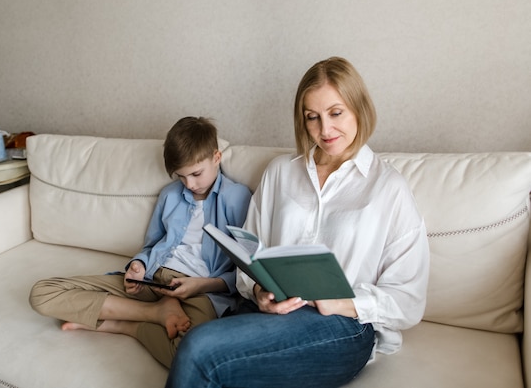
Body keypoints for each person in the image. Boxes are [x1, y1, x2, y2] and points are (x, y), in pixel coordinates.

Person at [165, 57, 430, 388]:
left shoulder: (388, 187)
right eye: (312, 118)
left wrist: (345, 302)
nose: (325, 130)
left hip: (341, 325)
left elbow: (409, 300)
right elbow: (250, 257)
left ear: (358, 108)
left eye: (336, 113)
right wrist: (260, 291)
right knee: (207, 354)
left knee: (199, 347)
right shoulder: (280, 172)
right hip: (270, 314)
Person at [29, 116, 252, 368]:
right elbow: (151, 244)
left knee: (191, 357)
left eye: (196, 174)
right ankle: (155, 312)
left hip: (200, 290)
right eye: (181, 176)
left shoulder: (237, 198)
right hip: (153, 279)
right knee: (42, 294)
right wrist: (138, 265)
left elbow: (247, 271)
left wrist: (201, 285)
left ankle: (128, 326)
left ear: (216, 157)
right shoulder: (170, 195)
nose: (189, 184)